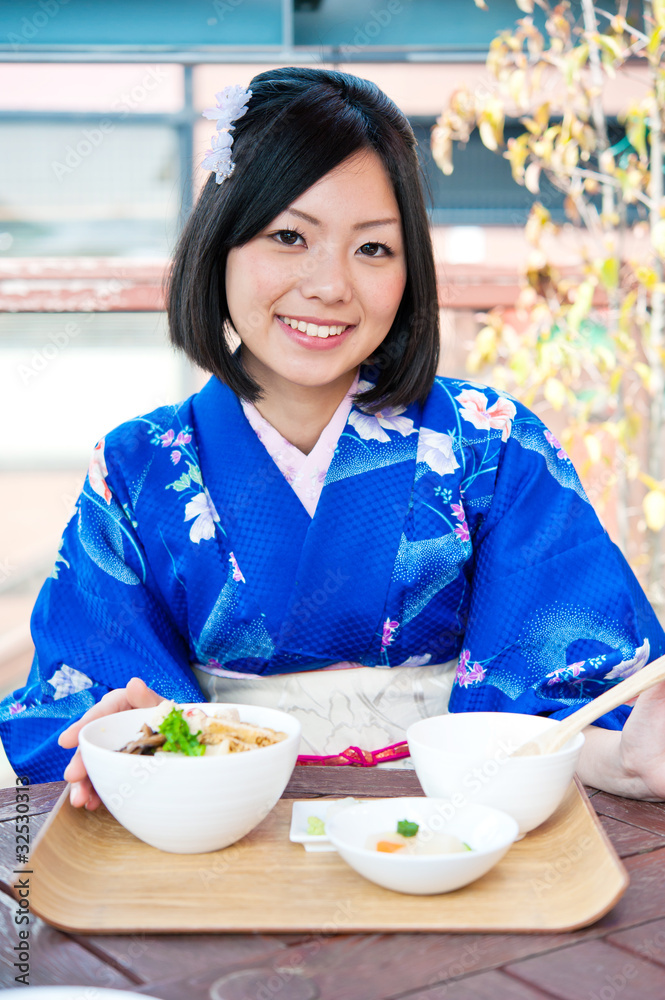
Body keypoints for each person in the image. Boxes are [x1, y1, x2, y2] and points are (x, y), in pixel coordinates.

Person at [1, 66, 664, 809]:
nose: (328, 285)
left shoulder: (493, 447)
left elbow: (567, 717)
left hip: (452, 831)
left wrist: (629, 758)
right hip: (223, 831)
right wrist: (124, 740)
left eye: (373, 248)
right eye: (289, 235)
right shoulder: (134, 470)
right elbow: (80, 703)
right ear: (220, 244)